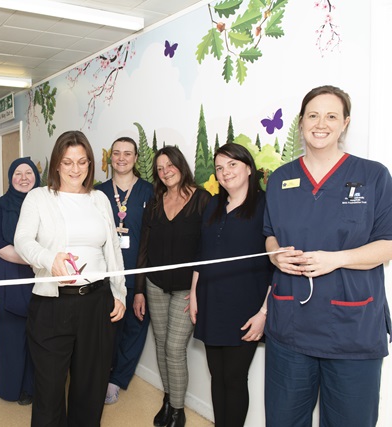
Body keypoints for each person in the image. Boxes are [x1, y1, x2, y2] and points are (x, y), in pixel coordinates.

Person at [263, 85, 392, 427]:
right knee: (284, 420)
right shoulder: (280, 179)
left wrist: (336, 259)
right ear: (302, 122)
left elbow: (387, 245)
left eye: (332, 116)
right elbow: (269, 233)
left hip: (353, 329)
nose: (321, 123)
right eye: (313, 115)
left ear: (345, 123)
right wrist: (275, 253)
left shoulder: (373, 176)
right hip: (290, 326)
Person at [14, 130, 127, 427]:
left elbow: (112, 249)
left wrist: (119, 292)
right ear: (56, 164)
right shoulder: (39, 198)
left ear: (90, 164)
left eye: (82, 162)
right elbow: (22, 241)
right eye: (67, 162)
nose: (75, 169)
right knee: (49, 391)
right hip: (53, 305)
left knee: (91, 388)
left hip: (97, 303)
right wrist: (48, 260)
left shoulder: (100, 199)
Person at [188, 143, 272, 427]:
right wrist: (195, 293)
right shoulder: (213, 204)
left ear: (249, 167)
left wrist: (264, 312)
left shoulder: (265, 205)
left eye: (232, 165)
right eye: (220, 168)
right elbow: (203, 252)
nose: (225, 173)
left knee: (235, 378)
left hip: (246, 307)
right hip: (211, 302)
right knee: (217, 376)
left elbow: (277, 265)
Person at [133, 146, 210, 427]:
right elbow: (143, 249)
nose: (165, 172)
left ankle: (177, 410)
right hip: (154, 286)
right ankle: (168, 399)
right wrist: (139, 289)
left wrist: (198, 289)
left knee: (175, 349)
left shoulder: (202, 199)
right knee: (161, 344)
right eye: (160, 168)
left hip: (186, 290)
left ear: (181, 165)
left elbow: (208, 249)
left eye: (170, 165)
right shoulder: (155, 201)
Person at [95, 136, 154, 404]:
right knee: (106, 328)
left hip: (138, 273)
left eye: (127, 153)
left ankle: (116, 379)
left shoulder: (149, 191)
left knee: (134, 327)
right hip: (104, 274)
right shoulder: (97, 192)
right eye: (116, 153)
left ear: (135, 158)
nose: (121, 158)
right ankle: (100, 373)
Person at [0, 157, 40, 405]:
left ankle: (32, 388)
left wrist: (41, 261)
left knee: (37, 336)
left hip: (40, 278)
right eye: (17, 173)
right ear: (10, 178)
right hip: (8, 278)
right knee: (11, 337)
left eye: (28, 173)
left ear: (36, 177)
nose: (23, 178)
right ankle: (11, 389)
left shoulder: (45, 204)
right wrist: (36, 259)